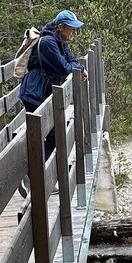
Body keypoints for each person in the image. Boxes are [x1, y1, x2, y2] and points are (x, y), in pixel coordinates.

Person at [18, 9, 88, 159]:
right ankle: (36, 171)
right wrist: (80, 68)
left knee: (49, 134)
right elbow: (64, 67)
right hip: (34, 93)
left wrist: (80, 67)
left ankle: (37, 169)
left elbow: (72, 61)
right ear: (61, 27)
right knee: (50, 135)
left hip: (43, 92)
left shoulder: (60, 41)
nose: (74, 32)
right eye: (71, 28)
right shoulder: (48, 43)